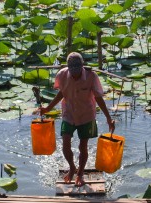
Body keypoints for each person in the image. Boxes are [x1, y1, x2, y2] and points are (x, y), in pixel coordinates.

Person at [40, 52, 115, 187]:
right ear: (68, 68)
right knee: (65, 144)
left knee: (83, 146)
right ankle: (72, 167)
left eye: (77, 71)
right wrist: (48, 108)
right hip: (68, 113)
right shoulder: (62, 75)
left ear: (82, 67)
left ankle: (80, 174)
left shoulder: (91, 76)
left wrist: (109, 118)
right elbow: (61, 93)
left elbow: (98, 98)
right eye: (72, 71)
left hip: (86, 114)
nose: (75, 75)